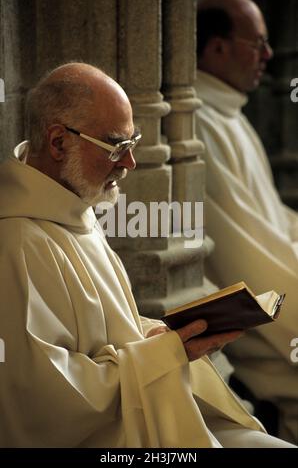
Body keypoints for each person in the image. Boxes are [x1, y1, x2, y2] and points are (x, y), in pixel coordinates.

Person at [0, 63, 295, 448]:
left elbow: (105, 330)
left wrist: (164, 335)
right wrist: (166, 354)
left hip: (148, 411)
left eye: (133, 143)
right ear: (58, 142)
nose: (130, 164)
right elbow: (44, 406)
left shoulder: (71, 207)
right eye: (117, 147)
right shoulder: (18, 241)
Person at [195, 0, 298, 443]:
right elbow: (245, 252)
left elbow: (272, 222)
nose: (268, 55)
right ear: (216, 48)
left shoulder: (229, 112)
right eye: (257, 43)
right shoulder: (196, 122)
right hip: (257, 327)